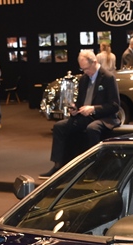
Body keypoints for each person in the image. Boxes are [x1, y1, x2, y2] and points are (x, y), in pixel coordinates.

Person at [40, 50, 120, 178]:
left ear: (94, 62)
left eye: (86, 68)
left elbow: (114, 106)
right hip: (85, 116)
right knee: (59, 127)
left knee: (92, 128)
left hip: (104, 117)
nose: (85, 72)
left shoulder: (108, 78)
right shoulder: (84, 79)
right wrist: (74, 109)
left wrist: (93, 109)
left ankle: (95, 168)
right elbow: (80, 102)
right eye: (82, 69)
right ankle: (58, 166)